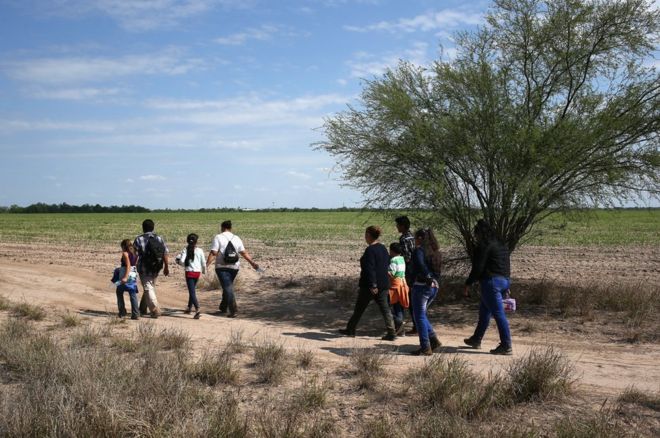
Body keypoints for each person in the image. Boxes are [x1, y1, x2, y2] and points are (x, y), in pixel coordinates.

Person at [463, 219, 513, 355]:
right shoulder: (501, 245)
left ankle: (506, 345)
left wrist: (468, 283)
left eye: (476, 234)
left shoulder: (484, 245)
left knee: (498, 314)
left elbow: (478, 267)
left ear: (480, 233)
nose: (476, 237)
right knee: (484, 312)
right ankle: (476, 339)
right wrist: (506, 283)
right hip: (504, 280)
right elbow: (507, 265)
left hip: (491, 283)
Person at [339, 226, 397, 341]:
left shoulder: (370, 250)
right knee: (385, 309)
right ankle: (392, 332)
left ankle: (350, 330)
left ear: (369, 235)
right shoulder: (383, 248)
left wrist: (373, 284)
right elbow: (386, 264)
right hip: (383, 284)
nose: (365, 237)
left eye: (366, 234)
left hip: (369, 286)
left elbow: (369, 269)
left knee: (359, 308)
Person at [206, 220, 259, 318]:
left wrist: (206, 265)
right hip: (234, 267)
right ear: (231, 228)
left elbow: (213, 253)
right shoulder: (237, 238)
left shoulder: (218, 237)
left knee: (227, 287)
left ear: (222, 228)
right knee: (227, 286)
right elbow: (243, 252)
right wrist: (252, 263)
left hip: (221, 266)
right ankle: (223, 306)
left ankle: (233, 309)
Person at [409, 228, 443, 355]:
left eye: (415, 238)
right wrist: (431, 278)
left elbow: (420, 264)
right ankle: (433, 340)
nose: (414, 241)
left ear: (420, 239)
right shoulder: (435, 252)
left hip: (422, 286)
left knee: (419, 316)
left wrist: (426, 276)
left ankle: (425, 346)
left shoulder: (419, 251)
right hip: (434, 286)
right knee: (421, 315)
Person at [134, 219, 169, 318]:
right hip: (156, 267)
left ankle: (155, 310)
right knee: (150, 286)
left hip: (144, 267)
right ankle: (142, 308)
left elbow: (134, 255)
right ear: (153, 228)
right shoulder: (159, 238)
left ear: (143, 228)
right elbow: (165, 253)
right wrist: (166, 267)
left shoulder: (138, 239)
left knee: (148, 288)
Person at [175, 233, 206, 319]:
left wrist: (184, 265)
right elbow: (203, 262)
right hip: (197, 272)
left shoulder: (185, 249)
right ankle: (189, 307)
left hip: (189, 272)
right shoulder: (200, 250)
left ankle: (197, 309)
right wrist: (204, 271)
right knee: (192, 290)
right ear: (196, 241)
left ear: (187, 241)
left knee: (192, 292)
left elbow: (181, 260)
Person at [395, 216, 417, 334]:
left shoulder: (403, 238)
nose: (397, 227)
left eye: (398, 225)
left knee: (402, 297)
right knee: (413, 300)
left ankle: (399, 326)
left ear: (402, 226)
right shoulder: (413, 236)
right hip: (415, 271)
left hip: (408, 272)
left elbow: (407, 257)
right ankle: (416, 325)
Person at [388, 242, 409, 336]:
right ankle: (401, 330)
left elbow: (391, 273)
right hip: (403, 284)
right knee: (399, 307)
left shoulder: (393, 260)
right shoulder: (402, 259)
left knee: (389, 307)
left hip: (395, 286)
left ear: (392, 251)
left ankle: (399, 324)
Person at [115, 239, 139, 320]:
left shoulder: (125, 254)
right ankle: (135, 314)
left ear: (123, 246)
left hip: (126, 274)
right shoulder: (135, 253)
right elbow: (134, 265)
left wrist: (125, 277)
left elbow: (128, 265)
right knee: (132, 293)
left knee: (119, 290)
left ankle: (122, 312)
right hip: (133, 274)